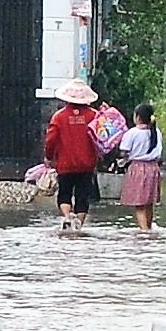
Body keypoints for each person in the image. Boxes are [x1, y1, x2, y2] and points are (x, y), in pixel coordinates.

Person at [44, 78, 100, 230]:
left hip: (65, 164)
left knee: (65, 194)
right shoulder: (94, 116)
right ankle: (79, 225)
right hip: (87, 164)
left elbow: (51, 140)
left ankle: (68, 216)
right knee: (83, 196)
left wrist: (49, 157)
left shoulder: (59, 117)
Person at [117, 103, 163, 230]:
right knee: (149, 203)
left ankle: (144, 231)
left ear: (137, 117)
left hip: (138, 169)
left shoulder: (132, 133)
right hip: (153, 169)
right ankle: (148, 228)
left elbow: (124, 151)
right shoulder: (156, 132)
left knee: (139, 204)